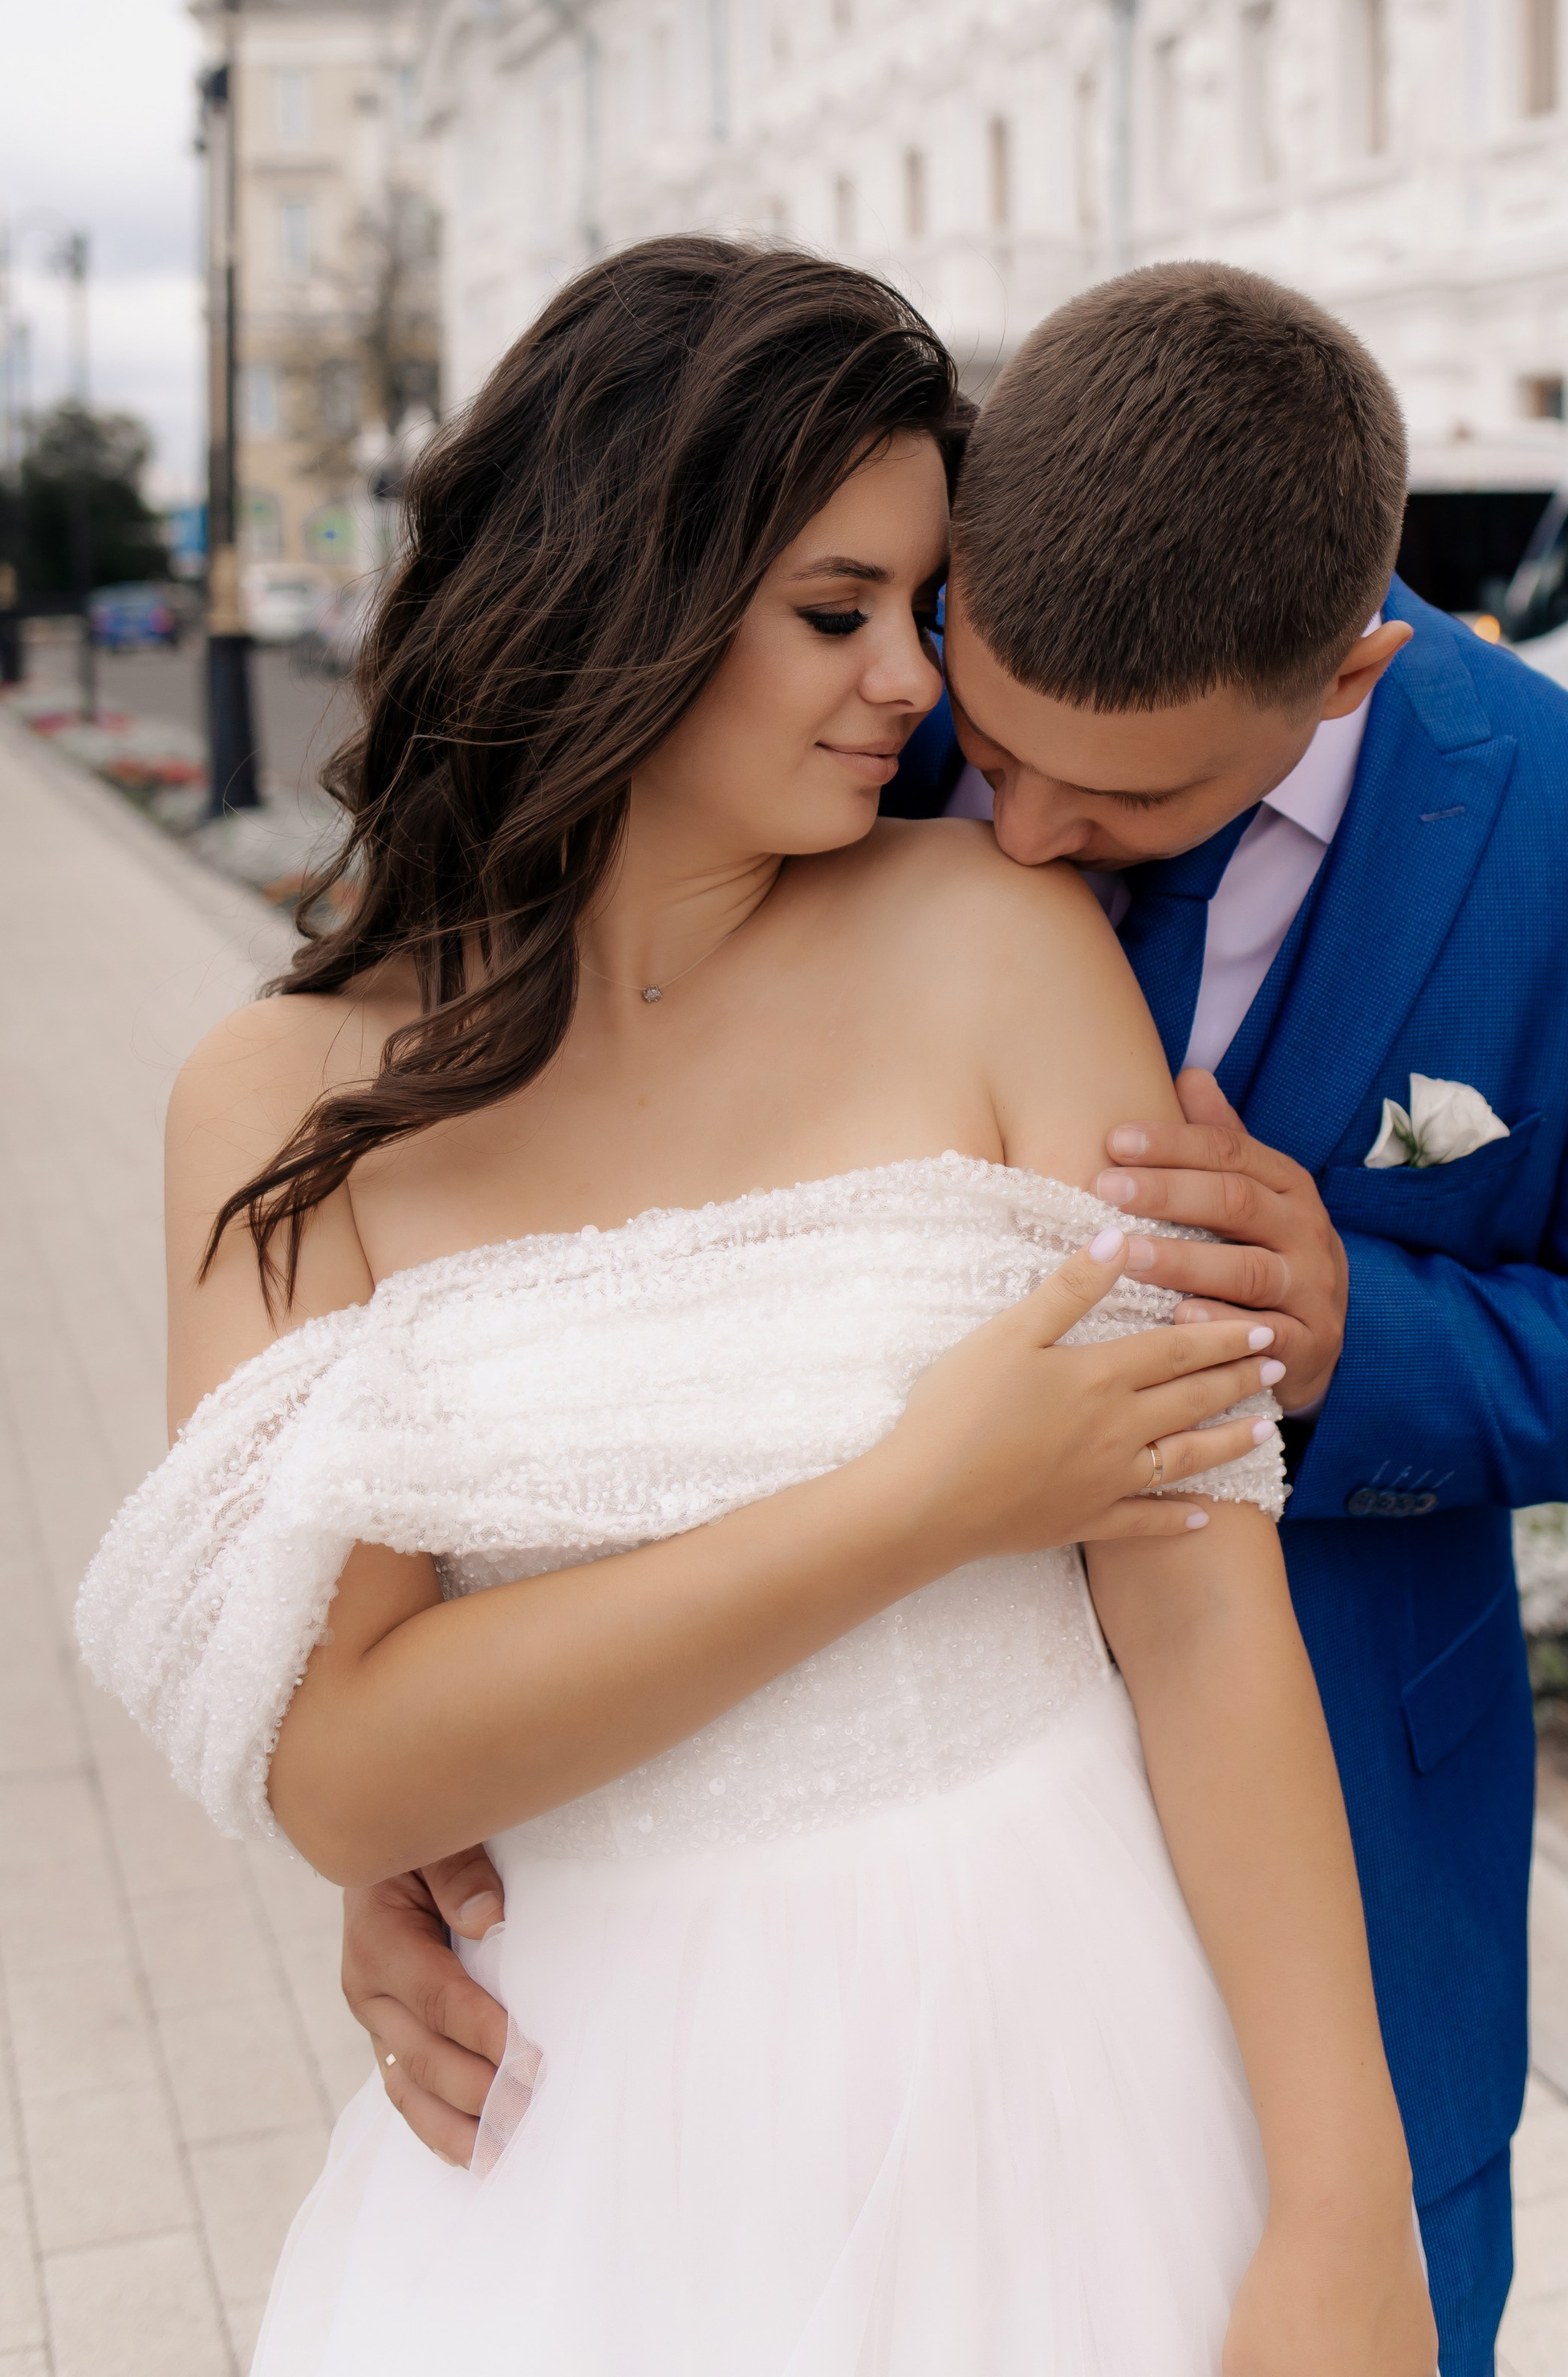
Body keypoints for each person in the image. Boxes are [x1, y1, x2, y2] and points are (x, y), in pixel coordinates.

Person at [344, 259, 1568, 2374]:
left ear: (1343, 678)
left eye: (1124, 808)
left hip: (1345, 1868)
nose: (1019, 833)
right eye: (993, 740)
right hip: (823, 1879)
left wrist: (1356, 1335)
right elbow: (594, 1268)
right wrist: (435, 1803)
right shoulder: (856, 687)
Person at [77, 239, 1440, 2377]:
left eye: (920, 610)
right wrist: (922, 1503)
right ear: (610, 583)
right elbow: (342, 1773)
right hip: (586, 2121)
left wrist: (1349, 2215)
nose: (910, 683)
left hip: (1061, 2043)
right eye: (836, 612)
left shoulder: (999, 939)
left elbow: (1200, 1623)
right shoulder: (278, 1101)